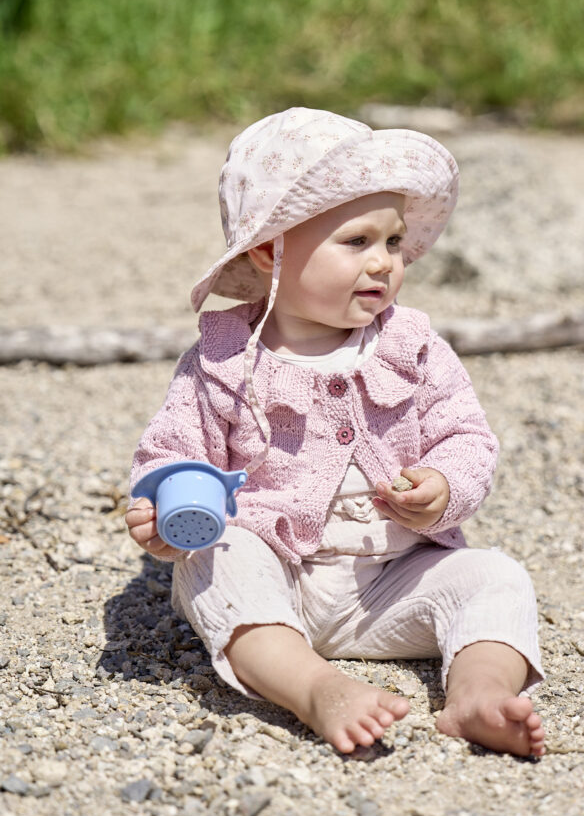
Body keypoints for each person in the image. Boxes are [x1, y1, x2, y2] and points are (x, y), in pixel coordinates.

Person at [126, 108, 545, 757]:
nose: (383, 264)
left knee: (495, 576)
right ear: (270, 251)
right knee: (218, 559)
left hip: (393, 580)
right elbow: (173, 454)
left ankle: (479, 694)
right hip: (277, 572)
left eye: (394, 243)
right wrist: (163, 515)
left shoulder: (412, 346)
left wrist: (443, 483)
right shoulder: (225, 360)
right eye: (357, 243)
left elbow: (467, 436)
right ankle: (314, 687)